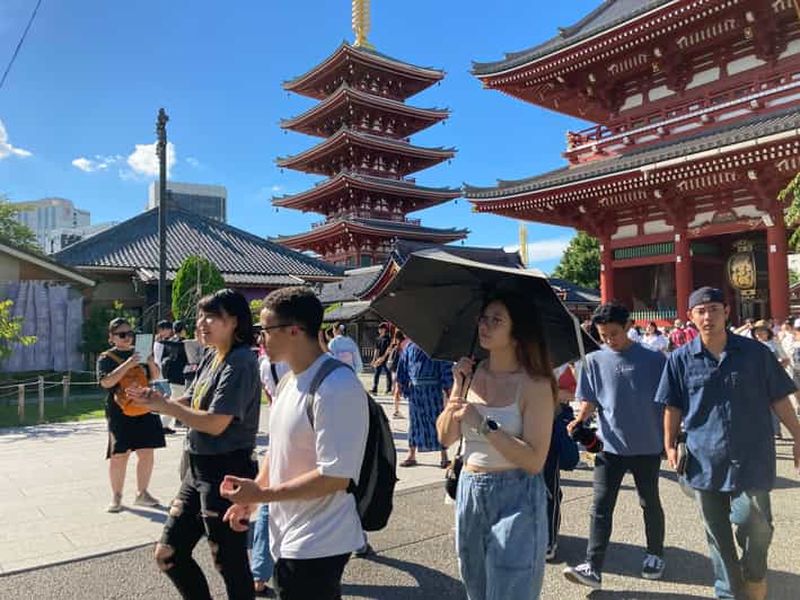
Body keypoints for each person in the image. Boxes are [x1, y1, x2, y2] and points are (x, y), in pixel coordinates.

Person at [220, 287, 368, 600]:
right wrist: (253, 497)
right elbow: (278, 452)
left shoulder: (337, 385)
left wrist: (263, 494)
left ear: (294, 330)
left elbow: (336, 476)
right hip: (287, 532)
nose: (260, 339)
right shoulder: (288, 381)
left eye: (265, 330)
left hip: (320, 538)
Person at [656, 286, 800, 600]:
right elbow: (672, 406)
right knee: (717, 535)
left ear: (726, 312)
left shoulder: (755, 354)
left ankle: (754, 572)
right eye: (701, 311)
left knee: (757, 523)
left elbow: (779, 396)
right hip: (704, 458)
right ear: (691, 316)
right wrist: (669, 444)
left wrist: (797, 435)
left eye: (714, 309)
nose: (708, 316)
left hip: (752, 456)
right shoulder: (679, 360)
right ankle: (729, 593)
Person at [128, 289, 261, 600]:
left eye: (212, 317)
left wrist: (167, 408)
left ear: (234, 322)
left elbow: (216, 422)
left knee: (228, 562)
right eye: (201, 316)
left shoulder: (241, 361)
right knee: (168, 554)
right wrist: (158, 402)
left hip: (227, 470)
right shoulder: (213, 355)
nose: (202, 323)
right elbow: (194, 399)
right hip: (198, 469)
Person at [437, 290, 556, 600]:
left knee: (511, 590)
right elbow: (445, 437)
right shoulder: (470, 373)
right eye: (483, 318)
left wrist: (482, 424)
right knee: (475, 587)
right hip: (469, 489)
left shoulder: (535, 384)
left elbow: (534, 460)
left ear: (517, 332)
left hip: (516, 494)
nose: (485, 326)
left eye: (496, 320)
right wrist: (458, 387)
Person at [563, 302, 667, 591]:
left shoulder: (655, 359)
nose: (609, 340)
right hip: (609, 446)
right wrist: (580, 420)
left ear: (629, 326)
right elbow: (590, 399)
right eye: (603, 335)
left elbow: (668, 400)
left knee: (649, 502)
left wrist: (671, 439)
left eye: (614, 334)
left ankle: (655, 554)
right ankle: (593, 566)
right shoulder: (593, 360)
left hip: (647, 444)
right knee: (600, 506)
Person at [97, 317, 165, 513]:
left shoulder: (140, 352)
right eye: (121, 334)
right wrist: (128, 364)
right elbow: (105, 382)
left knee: (147, 451)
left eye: (130, 333)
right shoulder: (106, 358)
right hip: (120, 410)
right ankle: (117, 496)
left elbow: (155, 377)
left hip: (145, 406)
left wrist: (150, 361)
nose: (127, 337)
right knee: (120, 454)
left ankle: (142, 493)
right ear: (111, 337)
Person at [250, 337, 291, 597]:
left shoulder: (263, 363)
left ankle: (259, 573)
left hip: (277, 418)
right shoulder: (291, 363)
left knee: (268, 503)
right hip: (292, 426)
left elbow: (268, 394)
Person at [395, 339, 452, 468]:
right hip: (415, 391)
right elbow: (402, 367)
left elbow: (445, 367)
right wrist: (400, 384)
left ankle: (444, 456)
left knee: (438, 422)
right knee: (414, 423)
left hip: (433, 391)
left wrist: (448, 388)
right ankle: (411, 454)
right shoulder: (409, 347)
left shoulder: (437, 348)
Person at [159, 320, 190, 433]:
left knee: (176, 400)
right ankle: (162, 425)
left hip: (171, 375)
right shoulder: (184, 343)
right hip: (181, 376)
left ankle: (165, 424)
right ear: (183, 330)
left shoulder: (169, 342)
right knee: (176, 401)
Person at [390, 330, 410, 418]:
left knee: (396, 390)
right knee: (400, 389)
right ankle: (397, 411)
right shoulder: (406, 344)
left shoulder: (396, 347)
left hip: (395, 369)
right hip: (403, 369)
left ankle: (396, 410)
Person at [370, 322, 393, 394]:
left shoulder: (388, 338)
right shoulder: (378, 339)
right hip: (379, 359)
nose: (379, 330)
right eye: (379, 328)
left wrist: (383, 358)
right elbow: (376, 350)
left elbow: (389, 349)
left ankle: (389, 389)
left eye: (381, 328)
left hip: (386, 358)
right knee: (377, 373)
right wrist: (374, 359)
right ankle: (374, 388)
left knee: (388, 373)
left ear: (384, 329)